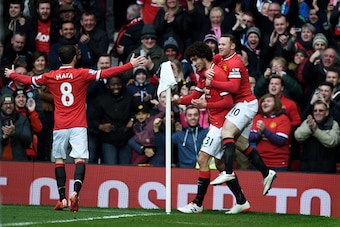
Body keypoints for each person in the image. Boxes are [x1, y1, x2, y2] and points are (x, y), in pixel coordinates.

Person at [4, 45, 144, 212]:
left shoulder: (51, 75)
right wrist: (131, 65)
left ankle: (62, 199)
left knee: (59, 160)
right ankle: (75, 192)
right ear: (74, 58)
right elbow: (106, 73)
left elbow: (29, 80)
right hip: (78, 125)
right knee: (80, 159)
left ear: (59, 59)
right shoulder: (82, 73)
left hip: (60, 126)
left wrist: (11, 74)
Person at [207, 34, 276, 201]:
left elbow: (234, 86)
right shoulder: (220, 57)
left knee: (226, 133)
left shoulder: (235, 62)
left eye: (224, 44)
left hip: (245, 103)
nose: (220, 47)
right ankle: (267, 172)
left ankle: (228, 172)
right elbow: (213, 60)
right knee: (241, 143)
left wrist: (212, 83)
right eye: (219, 44)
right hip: (241, 104)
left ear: (233, 46)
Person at [174, 41, 238, 214]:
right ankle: (241, 201)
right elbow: (195, 96)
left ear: (204, 56)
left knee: (202, 159)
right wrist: (178, 100)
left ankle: (197, 204)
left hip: (223, 123)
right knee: (219, 163)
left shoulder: (216, 73)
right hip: (216, 123)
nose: (194, 63)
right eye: (192, 60)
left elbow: (228, 101)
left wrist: (206, 105)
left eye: (195, 59)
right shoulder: (203, 75)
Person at [94, 76, 136, 165]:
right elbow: (93, 119)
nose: (116, 87)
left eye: (118, 84)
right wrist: (100, 126)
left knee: (125, 168)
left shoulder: (129, 98)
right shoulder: (100, 100)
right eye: (113, 85)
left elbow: (140, 110)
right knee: (110, 167)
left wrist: (133, 119)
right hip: (108, 139)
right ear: (108, 86)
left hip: (125, 138)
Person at [294, 100, 340, 173]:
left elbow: (332, 141)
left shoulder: (333, 124)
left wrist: (316, 131)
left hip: (326, 169)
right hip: (306, 168)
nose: (317, 113)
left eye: (321, 110)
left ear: (327, 112)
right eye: (315, 111)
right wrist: (309, 127)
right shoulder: (308, 122)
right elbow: (298, 136)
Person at [249, 93, 292, 171]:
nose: (265, 103)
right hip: (259, 161)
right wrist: (259, 134)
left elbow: (280, 140)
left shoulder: (283, 119)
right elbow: (251, 137)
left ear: (276, 104)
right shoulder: (258, 118)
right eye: (263, 101)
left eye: (268, 101)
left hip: (278, 163)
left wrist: (264, 130)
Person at [0, 94, 32, 161]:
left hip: (18, 158)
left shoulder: (23, 119)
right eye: (5, 104)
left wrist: (14, 133)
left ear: (14, 105)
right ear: (1, 106)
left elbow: (28, 139)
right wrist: (4, 136)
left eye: (10, 103)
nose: (8, 106)